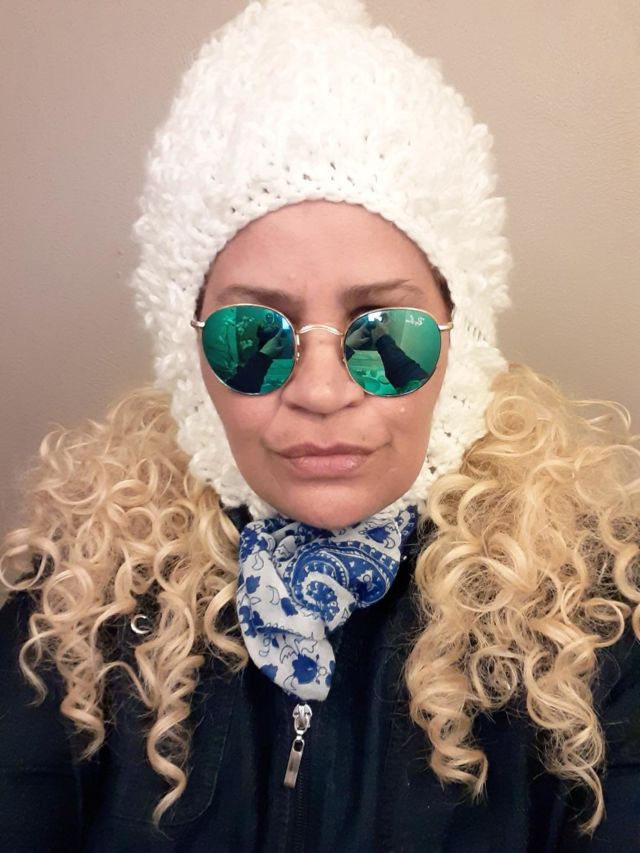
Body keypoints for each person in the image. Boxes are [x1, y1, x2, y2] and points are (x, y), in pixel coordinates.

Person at [0, 1, 638, 851]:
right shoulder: (70, 612)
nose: (323, 390)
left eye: (386, 335)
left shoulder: (593, 623)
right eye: (253, 336)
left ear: (460, 343)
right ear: (190, 355)